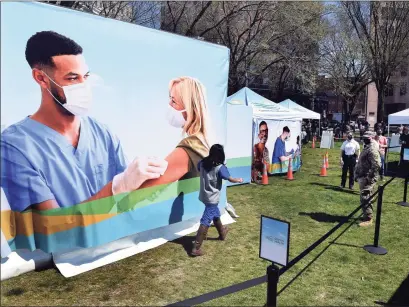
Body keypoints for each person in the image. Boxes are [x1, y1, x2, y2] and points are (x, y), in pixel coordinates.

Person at [0, 31, 167, 212]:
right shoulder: (15, 147)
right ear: (41, 78)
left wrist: (146, 185)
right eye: (72, 78)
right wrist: (117, 188)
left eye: (85, 77)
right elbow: (51, 229)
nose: (84, 86)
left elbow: (126, 205)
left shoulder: (102, 133)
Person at [191, 144, 243, 256]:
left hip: (204, 195)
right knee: (205, 221)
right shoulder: (220, 168)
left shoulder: (203, 163)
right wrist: (237, 179)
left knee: (215, 214)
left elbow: (198, 167)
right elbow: (229, 178)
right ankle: (196, 247)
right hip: (212, 198)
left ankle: (222, 233)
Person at [354, 131, 381, 227]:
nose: (364, 140)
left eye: (366, 138)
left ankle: (369, 218)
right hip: (363, 176)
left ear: (370, 138)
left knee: (366, 197)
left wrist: (369, 177)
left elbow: (377, 165)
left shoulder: (372, 149)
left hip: (368, 178)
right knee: (363, 197)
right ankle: (366, 215)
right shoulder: (367, 148)